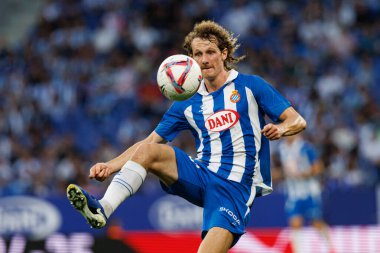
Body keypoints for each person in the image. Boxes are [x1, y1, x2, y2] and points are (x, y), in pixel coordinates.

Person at [66, 20, 307, 252]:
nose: (204, 59)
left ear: (224, 53)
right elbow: (148, 143)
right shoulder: (187, 102)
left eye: (210, 52)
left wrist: (281, 129)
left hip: (234, 189)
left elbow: (297, 120)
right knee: (150, 151)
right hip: (200, 174)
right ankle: (103, 209)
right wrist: (110, 166)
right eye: (198, 54)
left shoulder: (251, 86)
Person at [277, 134, 334, 253]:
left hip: (309, 192)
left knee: (316, 222)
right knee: (295, 223)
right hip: (293, 193)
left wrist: (303, 173)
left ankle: (330, 248)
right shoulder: (281, 148)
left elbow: (319, 167)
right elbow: (284, 170)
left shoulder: (305, 147)